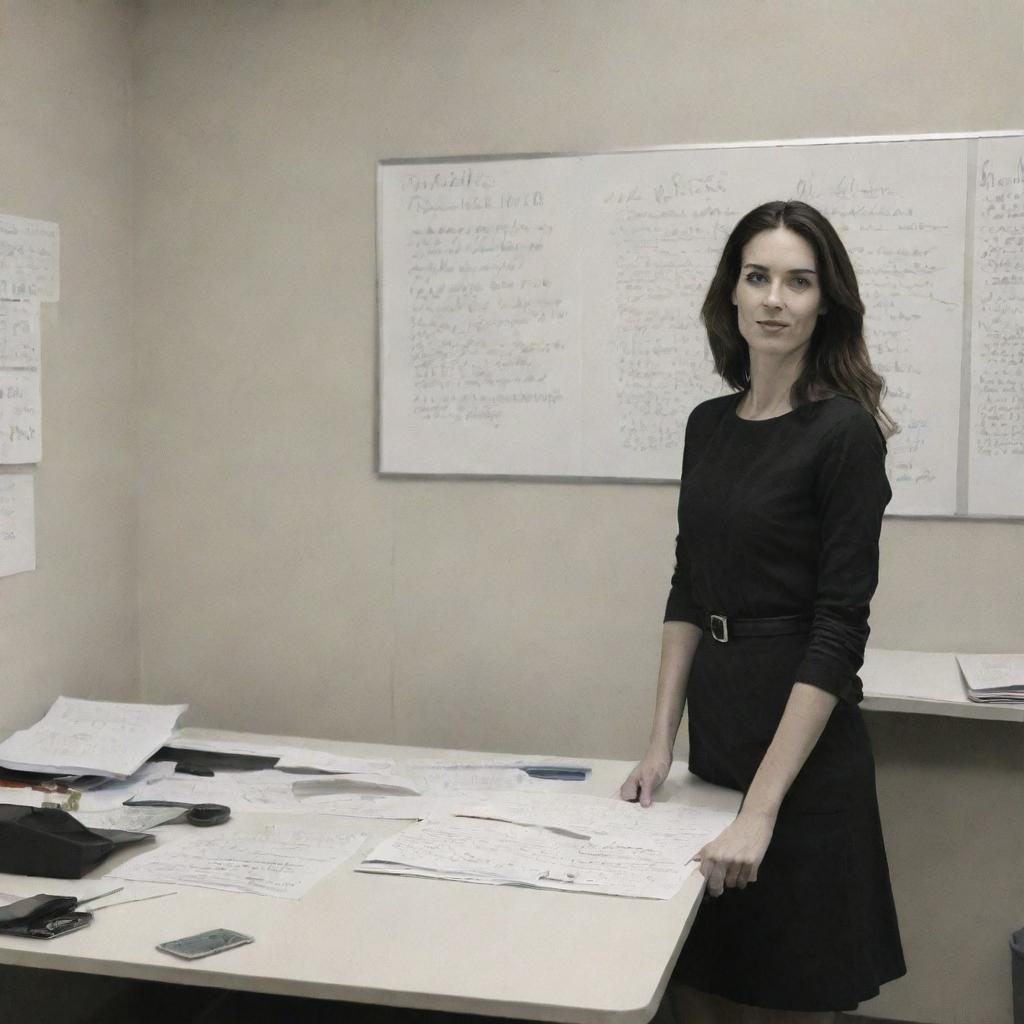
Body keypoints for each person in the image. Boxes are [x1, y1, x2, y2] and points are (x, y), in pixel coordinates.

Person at [621, 200, 906, 1023]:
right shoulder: (706, 426)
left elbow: (838, 629)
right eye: (758, 277)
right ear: (732, 295)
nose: (775, 298)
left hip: (802, 762)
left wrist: (761, 810)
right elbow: (687, 586)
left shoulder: (845, 435)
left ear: (827, 303)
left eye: (798, 281)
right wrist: (658, 748)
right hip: (719, 733)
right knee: (700, 991)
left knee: (789, 997)